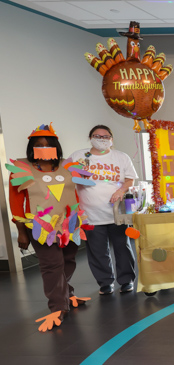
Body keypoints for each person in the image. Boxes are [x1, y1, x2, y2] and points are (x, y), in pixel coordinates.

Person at [9, 124, 92, 332]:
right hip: (40, 227)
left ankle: (68, 293)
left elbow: (78, 194)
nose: (44, 147)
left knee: (68, 261)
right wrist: (21, 232)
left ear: (56, 147)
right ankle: (58, 307)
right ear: (31, 147)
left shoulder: (68, 166)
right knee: (52, 265)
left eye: (48, 144)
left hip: (69, 224)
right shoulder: (22, 169)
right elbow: (16, 204)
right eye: (39, 145)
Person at [69, 125, 138, 295]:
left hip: (118, 213)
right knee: (97, 251)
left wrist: (121, 190)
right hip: (89, 214)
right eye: (96, 135)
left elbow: (130, 179)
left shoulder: (121, 157)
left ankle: (126, 280)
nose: (101, 139)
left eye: (105, 136)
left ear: (111, 139)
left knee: (123, 248)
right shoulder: (78, 156)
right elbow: (66, 177)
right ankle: (105, 283)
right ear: (90, 137)